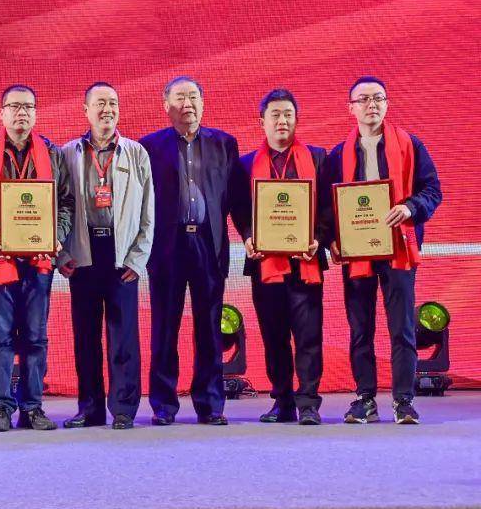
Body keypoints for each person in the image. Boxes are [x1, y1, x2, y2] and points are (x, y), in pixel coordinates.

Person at [319, 76, 442, 425]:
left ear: (387, 104)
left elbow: (432, 190)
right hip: (356, 251)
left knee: (402, 327)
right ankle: (365, 398)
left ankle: (404, 400)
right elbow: (326, 206)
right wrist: (331, 240)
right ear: (351, 108)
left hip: (398, 248)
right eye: (364, 99)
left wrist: (410, 207)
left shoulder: (410, 145)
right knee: (360, 329)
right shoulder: (337, 155)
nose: (371, 104)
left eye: (378, 98)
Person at [0, 84, 75, 431]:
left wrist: (56, 235)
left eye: (28, 106)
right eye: (14, 106)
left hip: (40, 259)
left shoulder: (53, 154)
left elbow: (66, 202)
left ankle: (33, 407)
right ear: (2, 113)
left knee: (35, 336)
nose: (21, 112)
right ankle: (1, 406)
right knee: (0, 335)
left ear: (36, 113)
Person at [139, 76, 248, 426]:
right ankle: (163, 405)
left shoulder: (224, 144)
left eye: (193, 97)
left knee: (210, 328)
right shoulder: (149, 147)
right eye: (180, 98)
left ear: (203, 102)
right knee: (164, 328)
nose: (187, 103)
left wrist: (248, 234)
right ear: (166, 105)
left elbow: (237, 199)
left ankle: (210, 404)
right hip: (167, 246)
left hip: (208, 243)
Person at [57, 82, 154, 430]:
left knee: (123, 336)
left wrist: (137, 258)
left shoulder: (136, 152)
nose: (107, 109)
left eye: (113, 102)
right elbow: (56, 206)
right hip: (82, 254)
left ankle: (124, 408)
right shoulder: (67, 153)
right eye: (100, 103)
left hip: (121, 255)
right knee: (85, 337)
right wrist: (61, 253)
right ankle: (90, 408)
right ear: (86, 110)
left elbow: (148, 211)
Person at [240, 89, 326, 425]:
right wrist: (248, 236)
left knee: (308, 337)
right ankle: (282, 401)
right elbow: (239, 209)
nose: (282, 120)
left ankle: (309, 404)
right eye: (275, 114)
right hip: (265, 265)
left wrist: (319, 238)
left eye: (288, 114)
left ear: (296, 119)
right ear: (261, 121)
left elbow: (328, 208)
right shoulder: (245, 164)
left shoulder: (318, 158)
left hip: (305, 262)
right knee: (274, 337)